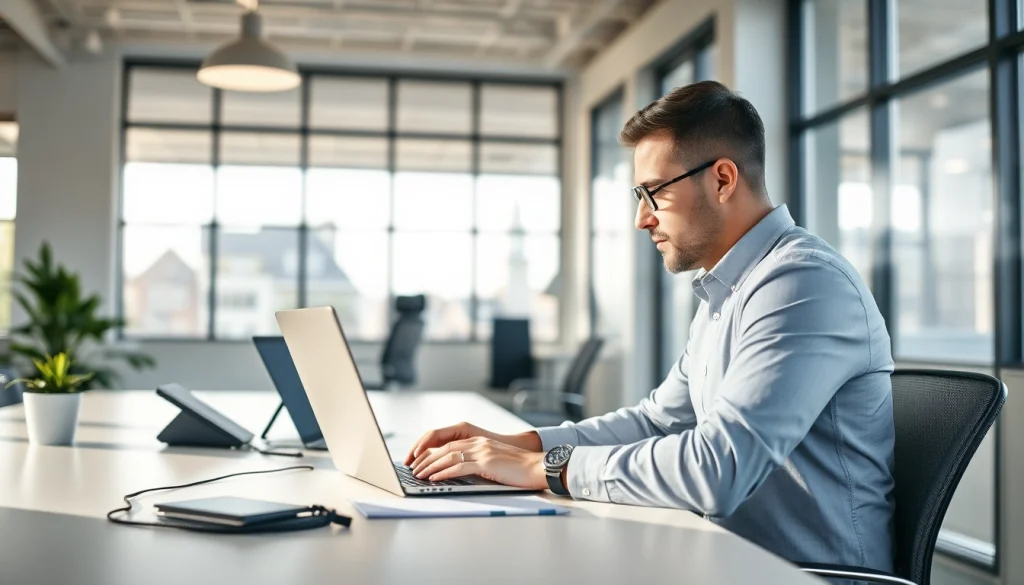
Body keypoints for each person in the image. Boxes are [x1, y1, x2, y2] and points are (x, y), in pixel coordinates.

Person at [403, 80, 895, 573]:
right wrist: (516, 444)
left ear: (723, 179)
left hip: (807, 575)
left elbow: (719, 468)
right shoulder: (727, 290)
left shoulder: (802, 283)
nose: (642, 218)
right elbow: (655, 422)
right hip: (725, 560)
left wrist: (542, 469)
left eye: (653, 192)